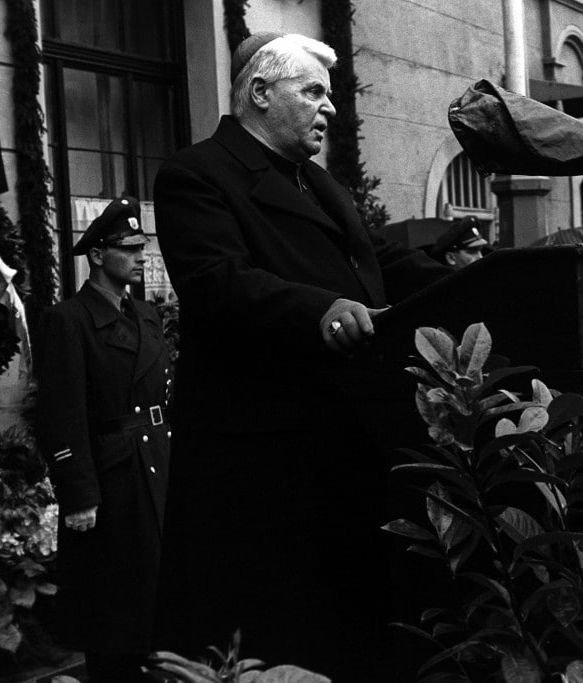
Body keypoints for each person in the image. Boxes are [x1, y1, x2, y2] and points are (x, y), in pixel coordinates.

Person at [152, 33, 451, 680]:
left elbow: (377, 259)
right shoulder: (196, 174)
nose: (330, 109)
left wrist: (462, 281)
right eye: (313, 92)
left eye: (330, 95)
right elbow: (219, 282)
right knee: (279, 639)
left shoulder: (316, 180)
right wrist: (319, 309)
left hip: (343, 450)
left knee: (348, 634)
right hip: (261, 469)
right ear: (261, 93)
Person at [36, 196, 172, 683]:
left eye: (143, 246)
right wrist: (79, 494)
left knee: (162, 603)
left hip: (158, 461)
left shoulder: (148, 315)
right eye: (129, 247)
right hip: (113, 478)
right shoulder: (69, 320)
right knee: (116, 611)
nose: (141, 256)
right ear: (97, 255)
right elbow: (60, 414)